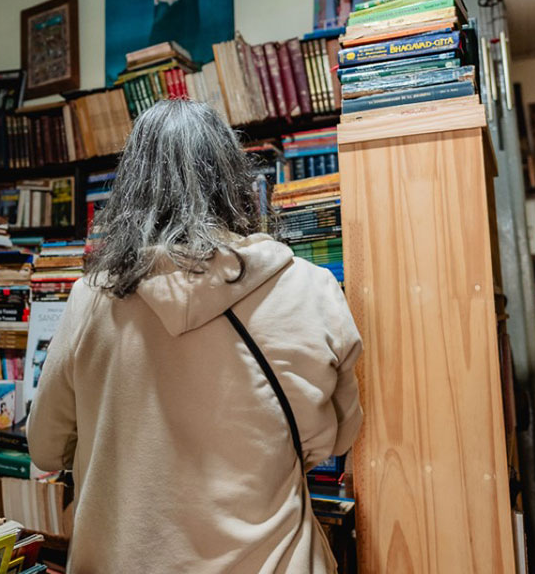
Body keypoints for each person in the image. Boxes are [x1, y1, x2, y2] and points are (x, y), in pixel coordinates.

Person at [28, 100, 363, 573]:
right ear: (235, 180)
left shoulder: (92, 298)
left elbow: (45, 447)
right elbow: (335, 439)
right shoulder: (312, 288)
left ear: (130, 190)